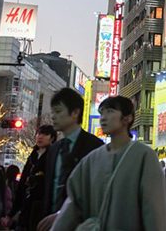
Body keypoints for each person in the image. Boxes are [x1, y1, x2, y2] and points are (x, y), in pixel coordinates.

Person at [50, 96, 166, 230]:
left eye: (110, 111)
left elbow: (154, 208)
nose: (103, 117)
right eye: (102, 113)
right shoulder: (91, 160)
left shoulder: (144, 156)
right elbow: (73, 204)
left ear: (127, 118)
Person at [36, 87, 104, 231]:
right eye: (53, 111)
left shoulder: (95, 147)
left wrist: (63, 215)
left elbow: (94, 192)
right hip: (50, 224)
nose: (53, 116)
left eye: (58, 111)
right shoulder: (54, 149)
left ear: (75, 113)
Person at [11, 124, 56, 230]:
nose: (40, 137)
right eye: (39, 133)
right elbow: (22, 184)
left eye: (45, 134)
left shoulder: (53, 156)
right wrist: (13, 212)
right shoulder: (33, 156)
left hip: (41, 208)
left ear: (52, 138)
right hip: (26, 206)